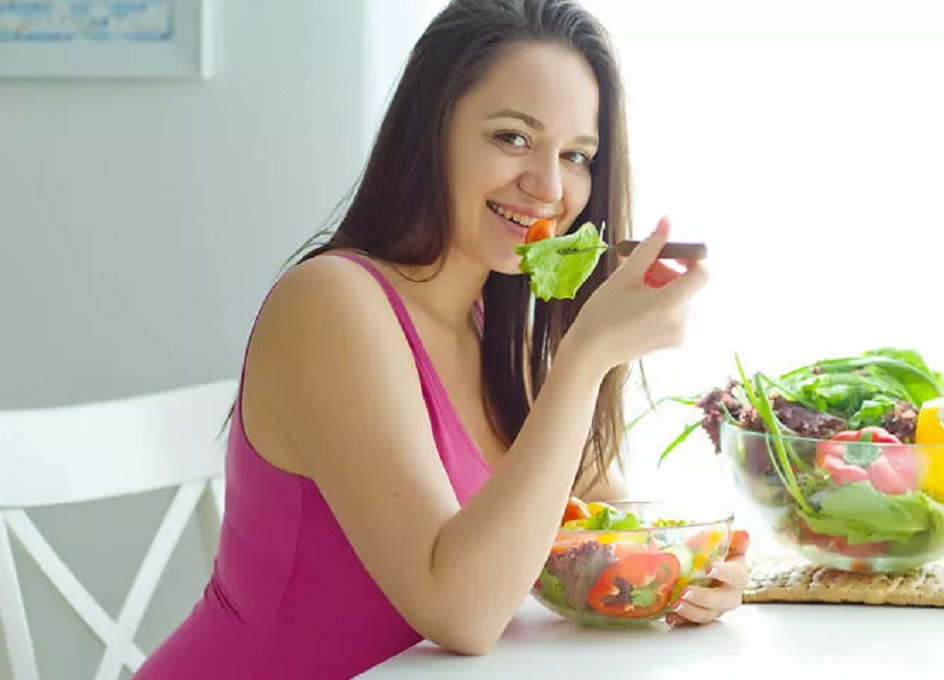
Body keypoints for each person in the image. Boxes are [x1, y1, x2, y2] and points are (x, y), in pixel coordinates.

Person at [136, 0, 749, 677]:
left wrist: (689, 564)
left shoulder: (499, 325)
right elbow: (460, 612)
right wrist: (587, 356)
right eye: (512, 137)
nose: (548, 187)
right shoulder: (331, 306)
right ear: (432, 131)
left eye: (575, 155)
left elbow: (593, 514)